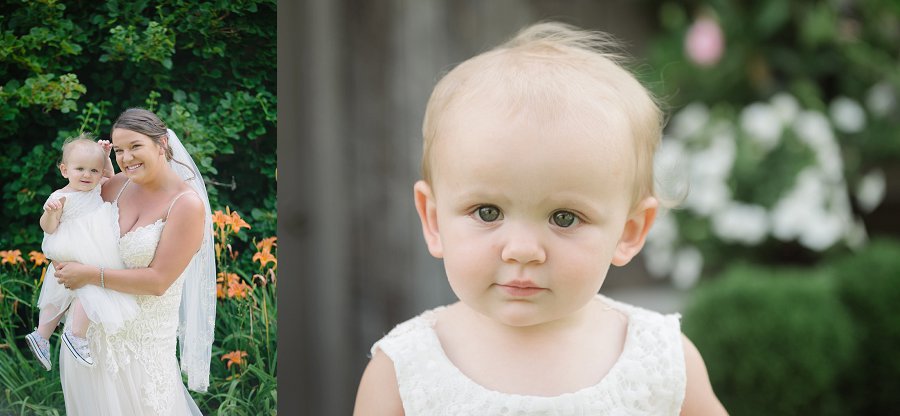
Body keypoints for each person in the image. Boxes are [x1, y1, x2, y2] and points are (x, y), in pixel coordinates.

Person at [354, 22, 728, 415]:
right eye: (488, 212)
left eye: (564, 218)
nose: (522, 251)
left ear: (629, 231)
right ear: (433, 220)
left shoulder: (661, 362)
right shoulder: (404, 372)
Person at [52, 108, 216, 415]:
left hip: (142, 352)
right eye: (119, 150)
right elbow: (73, 221)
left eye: (135, 146)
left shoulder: (186, 205)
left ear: (162, 143)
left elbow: (158, 281)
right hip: (87, 344)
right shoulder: (114, 187)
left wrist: (88, 274)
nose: (126, 157)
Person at [25, 135, 138, 371]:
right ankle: (76, 335)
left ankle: (41, 335)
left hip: (93, 245)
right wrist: (50, 212)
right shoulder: (60, 197)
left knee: (67, 290)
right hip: (76, 246)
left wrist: (106, 157)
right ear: (65, 170)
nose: (87, 175)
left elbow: (109, 175)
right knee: (89, 287)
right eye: (80, 169)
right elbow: (49, 228)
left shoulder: (96, 185)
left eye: (93, 170)